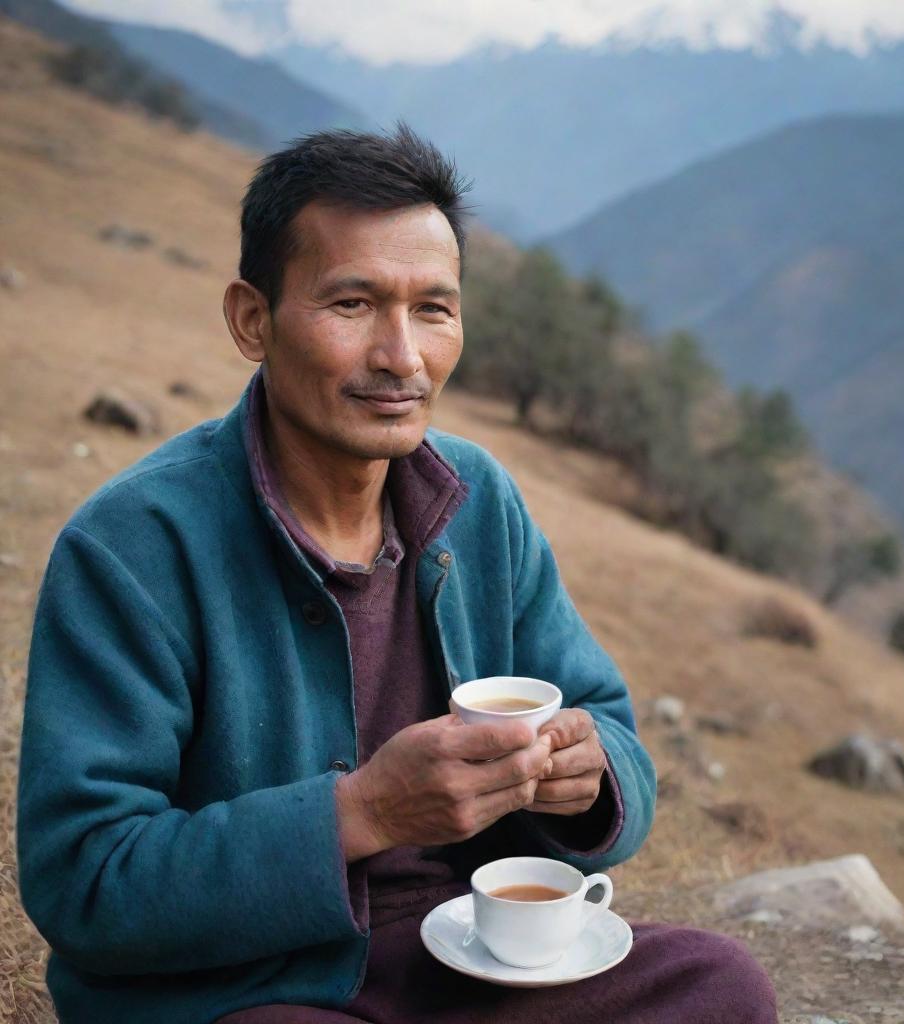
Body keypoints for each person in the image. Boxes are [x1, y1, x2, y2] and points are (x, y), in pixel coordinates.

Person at [17, 125, 777, 1024]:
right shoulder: (135, 546)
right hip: (256, 991)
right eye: (352, 304)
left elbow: (607, 723)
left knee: (718, 986)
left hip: (473, 961)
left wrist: (589, 777)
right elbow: (84, 879)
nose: (402, 358)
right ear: (251, 319)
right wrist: (361, 812)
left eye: (433, 308)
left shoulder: (476, 502)